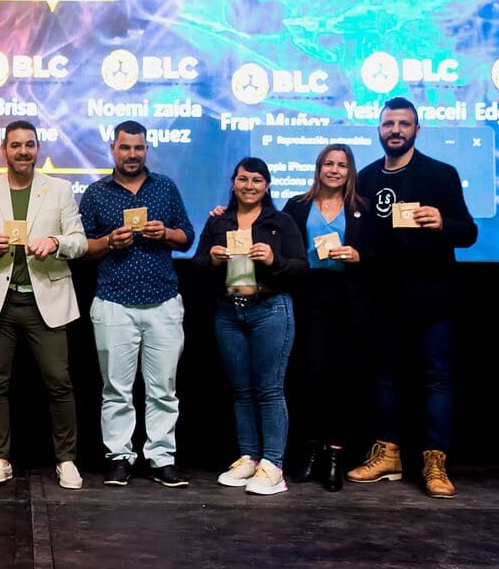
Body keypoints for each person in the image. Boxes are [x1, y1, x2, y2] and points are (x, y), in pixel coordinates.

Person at [347, 96, 477, 498]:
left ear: (417, 129)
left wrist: (442, 223)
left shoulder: (441, 174)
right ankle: (388, 455)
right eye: (389, 124)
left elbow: (468, 232)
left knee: (435, 378)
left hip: (433, 299)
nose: (396, 130)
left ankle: (435, 462)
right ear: (379, 129)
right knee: (384, 377)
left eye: (404, 124)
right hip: (383, 299)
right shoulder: (366, 178)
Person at [79, 120, 195, 488]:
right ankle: (118, 457)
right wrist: (108, 242)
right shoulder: (96, 193)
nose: (132, 154)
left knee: (163, 388)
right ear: (112, 149)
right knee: (116, 389)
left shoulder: (165, 187)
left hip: (163, 300)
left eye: (138, 148)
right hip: (114, 301)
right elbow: (83, 248)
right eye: (125, 147)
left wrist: (167, 233)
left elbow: (187, 237)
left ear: (146, 149)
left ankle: (162, 458)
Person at [0, 121, 89, 490]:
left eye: (29, 144)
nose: (22, 151)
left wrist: (55, 242)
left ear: (38, 148)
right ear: (4, 149)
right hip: (0, 300)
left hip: (48, 300)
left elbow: (80, 241)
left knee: (59, 382)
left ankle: (67, 460)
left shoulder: (59, 189)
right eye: (15, 145)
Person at [193, 157, 307, 496]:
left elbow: (301, 266)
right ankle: (249, 458)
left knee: (269, 389)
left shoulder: (281, 221)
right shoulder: (219, 220)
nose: (249, 186)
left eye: (257, 180)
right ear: (233, 183)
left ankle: (273, 466)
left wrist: (274, 260)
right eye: (243, 179)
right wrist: (212, 259)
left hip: (270, 309)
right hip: (229, 312)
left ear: (267, 186)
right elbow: (197, 263)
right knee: (241, 390)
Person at [281, 145, 368, 492]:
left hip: (349, 300)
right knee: (311, 377)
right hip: (309, 297)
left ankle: (335, 456)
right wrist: (223, 212)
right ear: (318, 168)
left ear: (350, 171)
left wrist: (360, 255)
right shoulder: (297, 206)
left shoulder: (362, 208)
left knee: (343, 380)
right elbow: (271, 233)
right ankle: (312, 451)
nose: (334, 170)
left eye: (341, 165)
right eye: (328, 164)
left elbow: (382, 251)